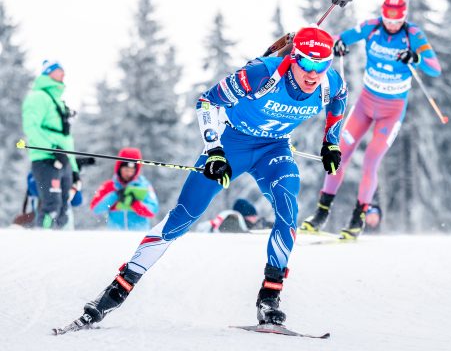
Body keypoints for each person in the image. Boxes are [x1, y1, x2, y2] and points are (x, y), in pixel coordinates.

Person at [73, 25, 346, 329]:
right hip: (231, 144)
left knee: (287, 207)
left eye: (321, 66)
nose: (313, 73)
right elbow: (207, 101)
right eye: (307, 63)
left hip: (274, 150)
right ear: (294, 57)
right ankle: (116, 291)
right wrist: (214, 150)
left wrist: (330, 141)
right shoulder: (261, 73)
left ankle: (270, 296)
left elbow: (339, 101)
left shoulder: (329, 83)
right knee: (183, 217)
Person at [301, 0, 442, 239]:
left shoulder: (413, 35)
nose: (393, 25)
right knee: (339, 154)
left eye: (398, 21)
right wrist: (338, 45)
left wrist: (415, 58)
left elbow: (434, 67)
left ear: (404, 18)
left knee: (371, 160)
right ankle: (320, 214)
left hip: (392, 110)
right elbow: (337, 39)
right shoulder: (371, 27)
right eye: (388, 19)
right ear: (383, 15)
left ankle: (357, 219)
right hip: (365, 104)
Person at [21, 60, 81, 229]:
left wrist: (75, 170)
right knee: (51, 205)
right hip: (46, 159)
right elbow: (31, 127)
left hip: (64, 160)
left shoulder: (59, 101)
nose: (63, 73)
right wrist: (53, 149)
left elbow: (66, 140)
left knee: (64, 207)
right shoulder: (37, 97)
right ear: (48, 73)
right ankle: (42, 242)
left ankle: (58, 249)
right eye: (59, 70)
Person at [90, 148, 159, 231]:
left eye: (132, 170)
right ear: (119, 168)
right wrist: (115, 196)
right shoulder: (109, 186)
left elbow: (153, 210)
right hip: (116, 237)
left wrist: (135, 203)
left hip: (138, 236)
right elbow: (95, 209)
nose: (129, 173)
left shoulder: (144, 186)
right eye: (126, 170)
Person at [194, 198, 273, 233]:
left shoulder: (256, 223)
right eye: (252, 216)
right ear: (243, 217)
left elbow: (265, 223)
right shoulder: (233, 221)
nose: (255, 218)